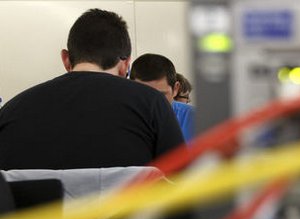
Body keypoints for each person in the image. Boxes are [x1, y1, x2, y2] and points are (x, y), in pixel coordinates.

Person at [0, 9, 184, 170]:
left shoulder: (11, 112)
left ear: (66, 59)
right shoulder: (152, 104)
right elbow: (182, 182)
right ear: (125, 65)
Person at [130, 53, 195, 143]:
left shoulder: (195, 120)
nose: (150, 105)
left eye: (159, 96)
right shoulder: (120, 117)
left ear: (175, 89)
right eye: (143, 96)